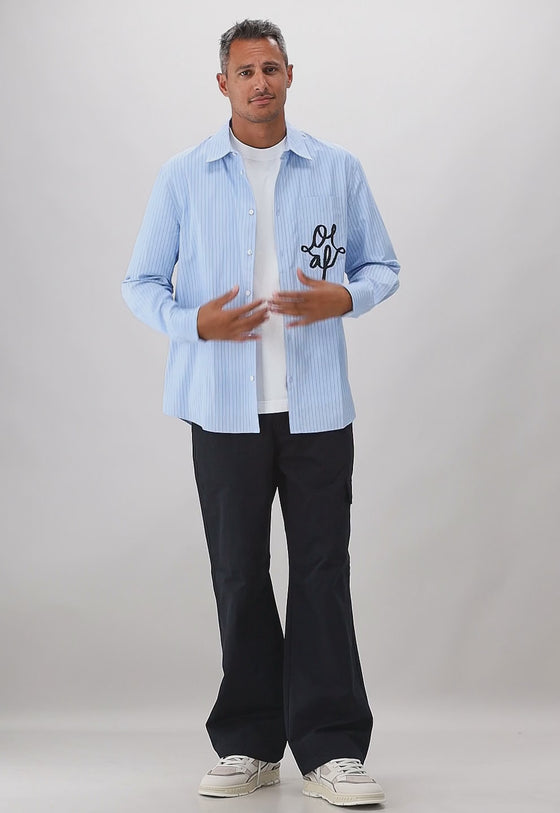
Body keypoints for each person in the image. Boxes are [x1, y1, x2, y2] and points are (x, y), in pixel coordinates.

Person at [122, 18, 399, 807]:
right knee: (240, 573)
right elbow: (140, 282)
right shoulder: (184, 176)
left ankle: (332, 749)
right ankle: (249, 741)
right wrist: (194, 323)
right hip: (222, 411)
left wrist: (345, 297)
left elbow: (382, 265)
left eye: (270, 68)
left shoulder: (336, 169)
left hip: (316, 411)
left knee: (321, 572)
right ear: (223, 84)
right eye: (244, 71)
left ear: (289, 76)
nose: (259, 82)